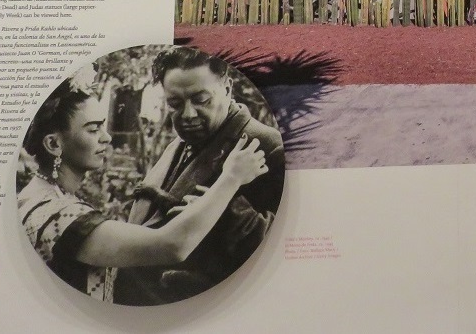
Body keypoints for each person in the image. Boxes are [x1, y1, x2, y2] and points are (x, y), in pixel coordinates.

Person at [17, 82, 269, 303]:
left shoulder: (37, 196)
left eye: (103, 127)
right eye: (93, 130)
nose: (106, 138)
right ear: (53, 144)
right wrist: (231, 177)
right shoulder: (59, 215)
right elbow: (171, 246)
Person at [112, 46, 285, 306]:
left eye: (201, 100)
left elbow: (279, 254)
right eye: (175, 104)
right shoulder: (179, 143)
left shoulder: (266, 146)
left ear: (227, 89)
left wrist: (225, 208)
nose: (188, 115)